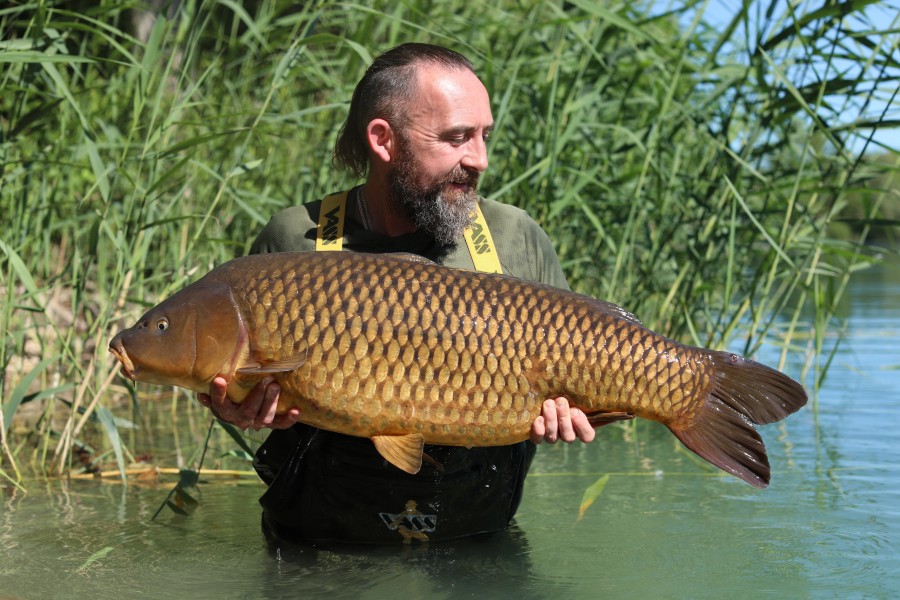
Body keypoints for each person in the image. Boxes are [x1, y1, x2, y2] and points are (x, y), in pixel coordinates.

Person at [197, 43, 596, 545]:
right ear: (384, 139)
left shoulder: (514, 238)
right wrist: (232, 404)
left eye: (483, 136)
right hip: (317, 550)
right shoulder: (294, 241)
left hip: (476, 548)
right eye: (457, 138)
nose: (481, 160)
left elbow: (578, 372)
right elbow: (223, 369)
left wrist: (572, 411)